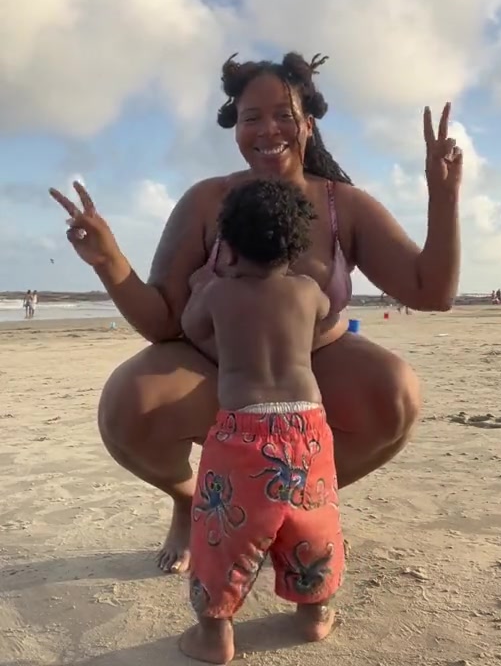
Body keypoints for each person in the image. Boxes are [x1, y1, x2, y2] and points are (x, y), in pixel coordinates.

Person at [49, 51, 462, 576]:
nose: (268, 129)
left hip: (312, 372)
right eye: (252, 117)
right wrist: (109, 261)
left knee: (397, 393)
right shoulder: (207, 201)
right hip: (217, 374)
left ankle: (300, 505)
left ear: (308, 125)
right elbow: (161, 323)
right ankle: (195, 500)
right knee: (128, 403)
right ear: (236, 128)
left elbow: (431, 291)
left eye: (284, 114)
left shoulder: (343, 205)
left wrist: (443, 197)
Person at [179, 177, 344, 662]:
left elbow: (190, 326)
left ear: (227, 248)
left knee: (221, 530)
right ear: (295, 246)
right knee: (312, 519)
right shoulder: (308, 291)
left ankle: (214, 633)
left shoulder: (217, 294)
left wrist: (201, 284)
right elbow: (328, 316)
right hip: (307, 425)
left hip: (243, 428)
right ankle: (313, 614)